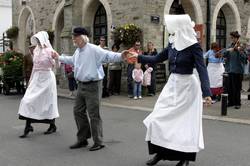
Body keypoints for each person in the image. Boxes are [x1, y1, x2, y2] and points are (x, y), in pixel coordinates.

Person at [130, 14, 212, 166]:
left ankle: (184, 157)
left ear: (181, 28)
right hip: (172, 85)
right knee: (158, 119)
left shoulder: (194, 46)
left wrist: (207, 93)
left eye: (173, 27)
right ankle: (160, 153)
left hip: (187, 88)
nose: (170, 31)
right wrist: (138, 57)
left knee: (183, 125)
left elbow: (202, 70)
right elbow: (156, 59)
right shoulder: (172, 43)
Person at [53, 27, 128, 151]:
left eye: (75, 36)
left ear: (82, 37)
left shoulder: (93, 49)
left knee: (94, 114)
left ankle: (98, 141)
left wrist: (121, 56)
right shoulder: (78, 51)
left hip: (93, 85)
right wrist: (58, 57)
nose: (73, 39)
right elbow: (72, 60)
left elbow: (108, 55)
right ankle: (83, 139)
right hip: (81, 85)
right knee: (78, 111)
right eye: (73, 36)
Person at [18, 31, 59, 138]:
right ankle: (28, 125)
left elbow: (57, 66)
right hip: (37, 77)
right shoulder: (36, 51)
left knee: (48, 102)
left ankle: (52, 125)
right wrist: (30, 81)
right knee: (27, 100)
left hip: (47, 78)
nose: (38, 43)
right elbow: (34, 68)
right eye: (37, 40)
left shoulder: (50, 51)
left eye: (39, 40)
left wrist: (57, 58)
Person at [223, 31, 247, 109]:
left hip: (238, 70)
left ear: (237, 38)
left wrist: (238, 50)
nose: (232, 39)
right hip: (230, 69)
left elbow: (244, 58)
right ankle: (231, 102)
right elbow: (225, 55)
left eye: (233, 38)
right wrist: (226, 52)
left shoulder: (241, 47)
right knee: (230, 87)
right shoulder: (230, 46)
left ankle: (238, 103)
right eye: (231, 38)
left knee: (237, 88)